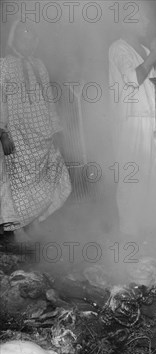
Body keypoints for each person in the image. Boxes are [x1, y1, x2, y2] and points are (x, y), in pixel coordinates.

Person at [0, 22, 71, 238]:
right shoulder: (3, 65)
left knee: (45, 177)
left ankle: (36, 221)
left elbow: (48, 100)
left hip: (40, 134)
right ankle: (18, 229)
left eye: (32, 37)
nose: (28, 41)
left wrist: (56, 129)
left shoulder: (40, 65)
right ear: (14, 39)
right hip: (17, 134)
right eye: (23, 37)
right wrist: (2, 132)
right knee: (18, 182)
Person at [109, 11, 156, 238]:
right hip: (131, 121)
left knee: (150, 176)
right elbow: (133, 78)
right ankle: (128, 231)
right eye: (142, 19)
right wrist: (154, 54)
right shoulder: (118, 48)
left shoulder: (145, 50)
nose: (147, 22)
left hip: (150, 118)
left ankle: (146, 226)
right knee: (131, 177)